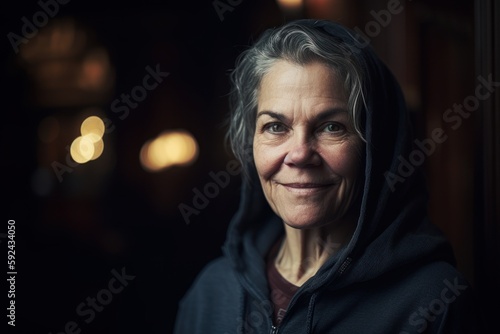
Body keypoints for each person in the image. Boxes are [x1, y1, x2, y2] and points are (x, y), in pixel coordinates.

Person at [173, 19, 485, 333]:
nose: (299, 154)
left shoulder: (433, 303)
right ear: (249, 143)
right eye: (276, 127)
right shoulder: (211, 294)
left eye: (331, 127)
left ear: (376, 148)